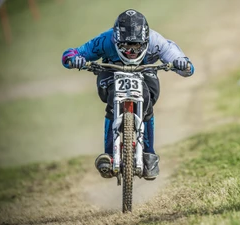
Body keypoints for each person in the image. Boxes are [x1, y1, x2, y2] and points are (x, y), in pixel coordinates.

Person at [61, 9, 194, 180]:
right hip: (111, 72)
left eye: (137, 46)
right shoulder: (104, 40)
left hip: (144, 72)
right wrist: (75, 59)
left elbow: (186, 66)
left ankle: (149, 154)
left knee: (147, 103)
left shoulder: (156, 41)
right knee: (111, 99)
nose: (131, 51)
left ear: (145, 40)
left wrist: (181, 63)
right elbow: (70, 54)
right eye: (126, 46)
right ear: (116, 40)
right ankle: (108, 154)